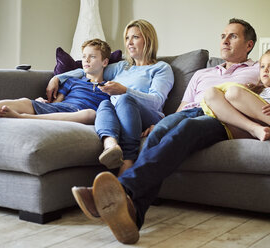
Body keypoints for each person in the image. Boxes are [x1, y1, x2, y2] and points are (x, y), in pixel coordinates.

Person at [71, 18, 270, 244]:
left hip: (219, 115)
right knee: (160, 133)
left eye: (232, 36)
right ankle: (133, 215)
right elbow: (182, 107)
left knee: (188, 127)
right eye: (222, 35)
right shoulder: (202, 73)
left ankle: (121, 189)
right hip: (187, 112)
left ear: (249, 44)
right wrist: (163, 121)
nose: (224, 40)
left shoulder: (258, 70)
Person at [47, 19, 174, 175]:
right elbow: (90, 70)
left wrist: (125, 90)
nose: (129, 43)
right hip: (118, 113)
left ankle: (128, 161)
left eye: (135, 37)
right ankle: (111, 147)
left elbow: (156, 101)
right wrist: (58, 78)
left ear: (148, 40)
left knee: (124, 99)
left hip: (148, 116)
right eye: (127, 38)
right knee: (104, 105)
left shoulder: (161, 68)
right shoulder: (122, 66)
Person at [0, 39, 111, 124]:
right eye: (84, 56)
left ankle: (22, 118)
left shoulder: (110, 87)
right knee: (27, 102)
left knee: (90, 114)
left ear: (105, 62)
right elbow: (57, 104)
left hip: (80, 114)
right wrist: (45, 103)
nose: (86, 60)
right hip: (60, 109)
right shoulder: (72, 81)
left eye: (92, 57)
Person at [202, 48, 270, 142]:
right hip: (242, 126)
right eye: (262, 66)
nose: (265, 70)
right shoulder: (255, 90)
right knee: (210, 93)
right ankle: (255, 129)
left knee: (233, 92)